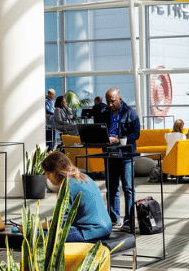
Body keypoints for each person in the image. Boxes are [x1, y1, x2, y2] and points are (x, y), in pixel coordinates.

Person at [93, 87, 140, 232]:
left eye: (112, 101)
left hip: (125, 154)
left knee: (128, 188)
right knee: (111, 188)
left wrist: (118, 140)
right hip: (109, 154)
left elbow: (136, 134)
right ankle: (114, 219)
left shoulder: (130, 113)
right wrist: (103, 139)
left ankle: (129, 220)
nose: (109, 104)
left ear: (119, 99)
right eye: (107, 101)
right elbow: (99, 130)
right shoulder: (104, 113)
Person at [41, 152, 111, 242]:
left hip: (90, 232)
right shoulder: (84, 177)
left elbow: (58, 222)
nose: (46, 177)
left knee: (37, 235)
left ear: (57, 172)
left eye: (48, 173)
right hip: (104, 229)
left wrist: (34, 227)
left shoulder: (68, 186)